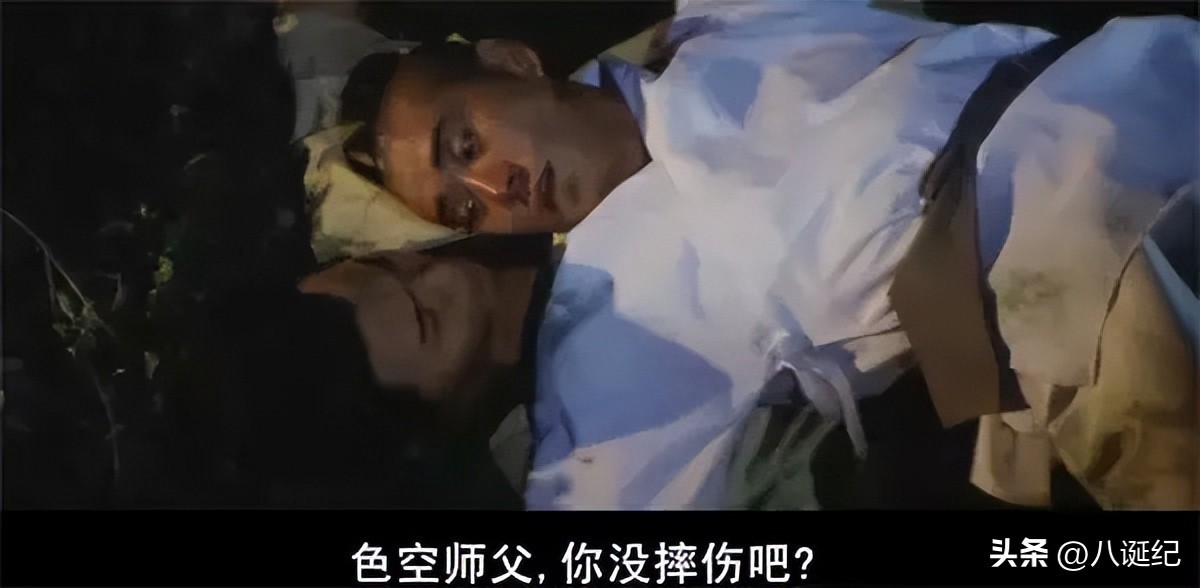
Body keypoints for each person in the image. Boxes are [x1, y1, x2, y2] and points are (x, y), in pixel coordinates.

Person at [310, 0, 1199, 509]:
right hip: (1084, 292)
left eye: (466, 144)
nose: (498, 188)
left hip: (1147, 79)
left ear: (512, 62)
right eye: (465, 208)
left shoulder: (722, 24)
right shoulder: (613, 316)